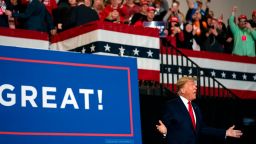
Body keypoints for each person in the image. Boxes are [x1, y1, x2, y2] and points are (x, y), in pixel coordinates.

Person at [156, 76, 243, 144]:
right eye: (192, 85)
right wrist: (164, 132)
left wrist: (225, 132)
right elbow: (162, 127)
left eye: (195, 85)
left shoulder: (196, 107)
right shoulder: (171, 105)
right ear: (182, 90)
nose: (196, 87)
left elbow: (202, 129)